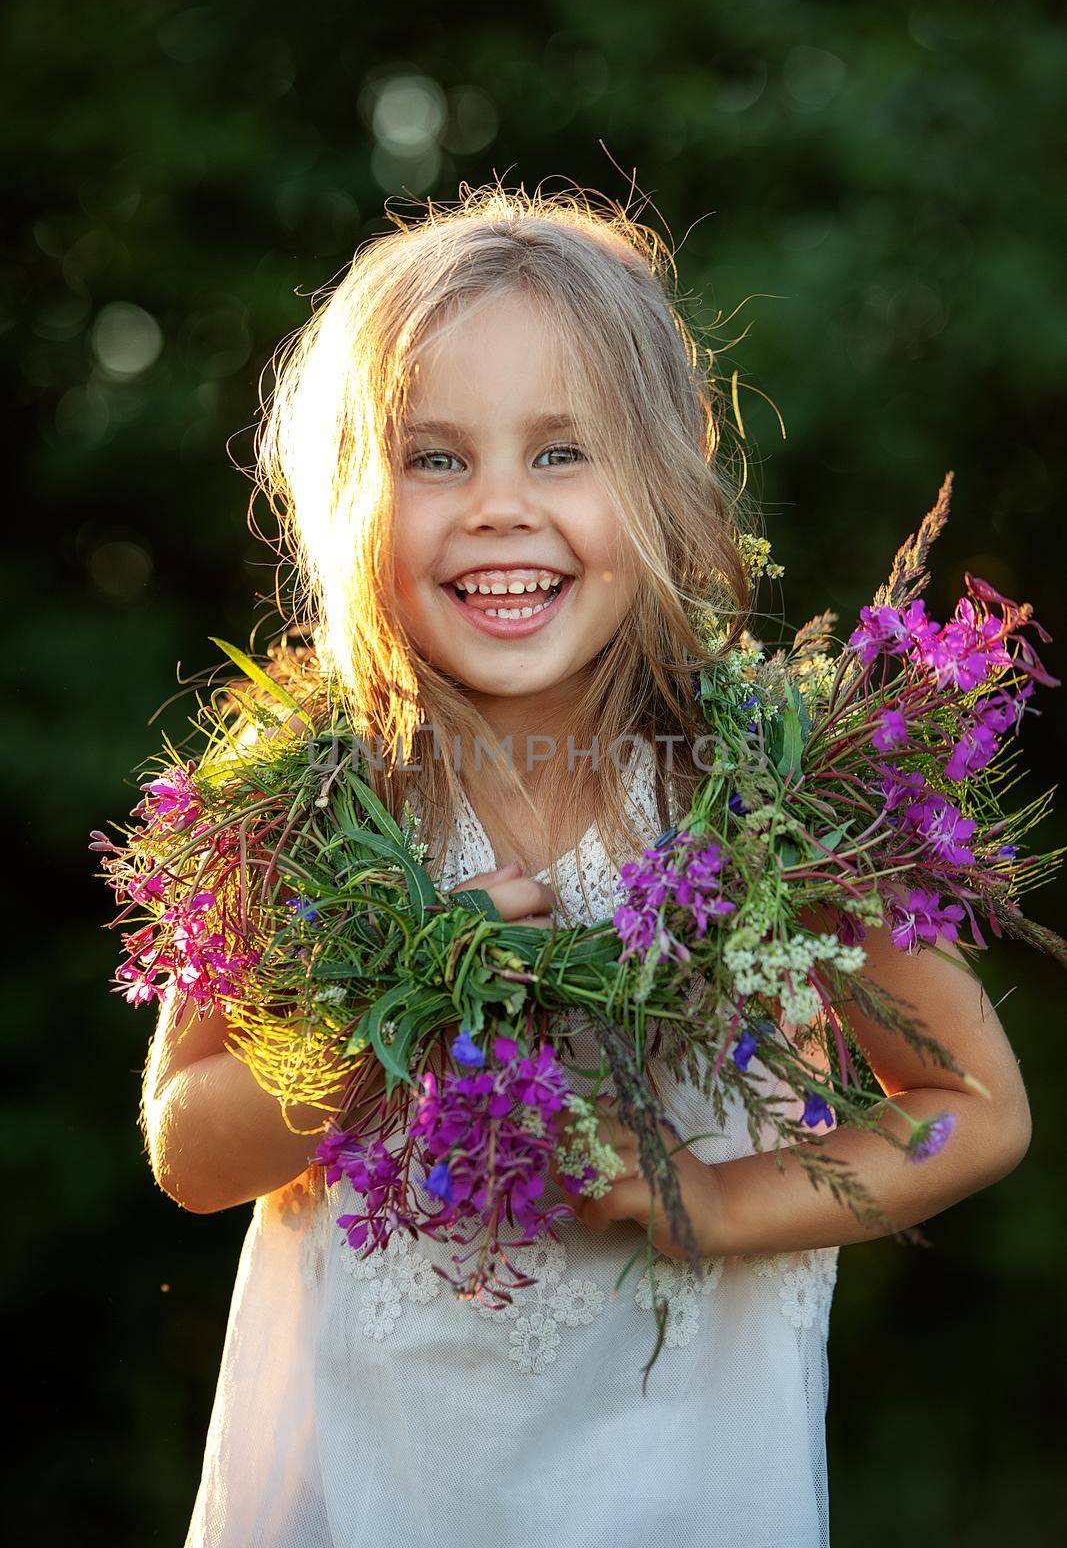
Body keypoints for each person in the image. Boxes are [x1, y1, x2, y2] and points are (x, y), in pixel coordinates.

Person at [141, 185, 1033, 1547]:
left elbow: (975, 1106)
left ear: (670, 476)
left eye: (564, 454)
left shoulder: (775, 801)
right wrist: (392, 1016)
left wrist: (729, 1200)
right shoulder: (306, 806)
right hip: (371, 1493)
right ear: (347, 499)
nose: (499, 508)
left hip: (681, 1487)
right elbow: (188, 1151)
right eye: (433, 459)